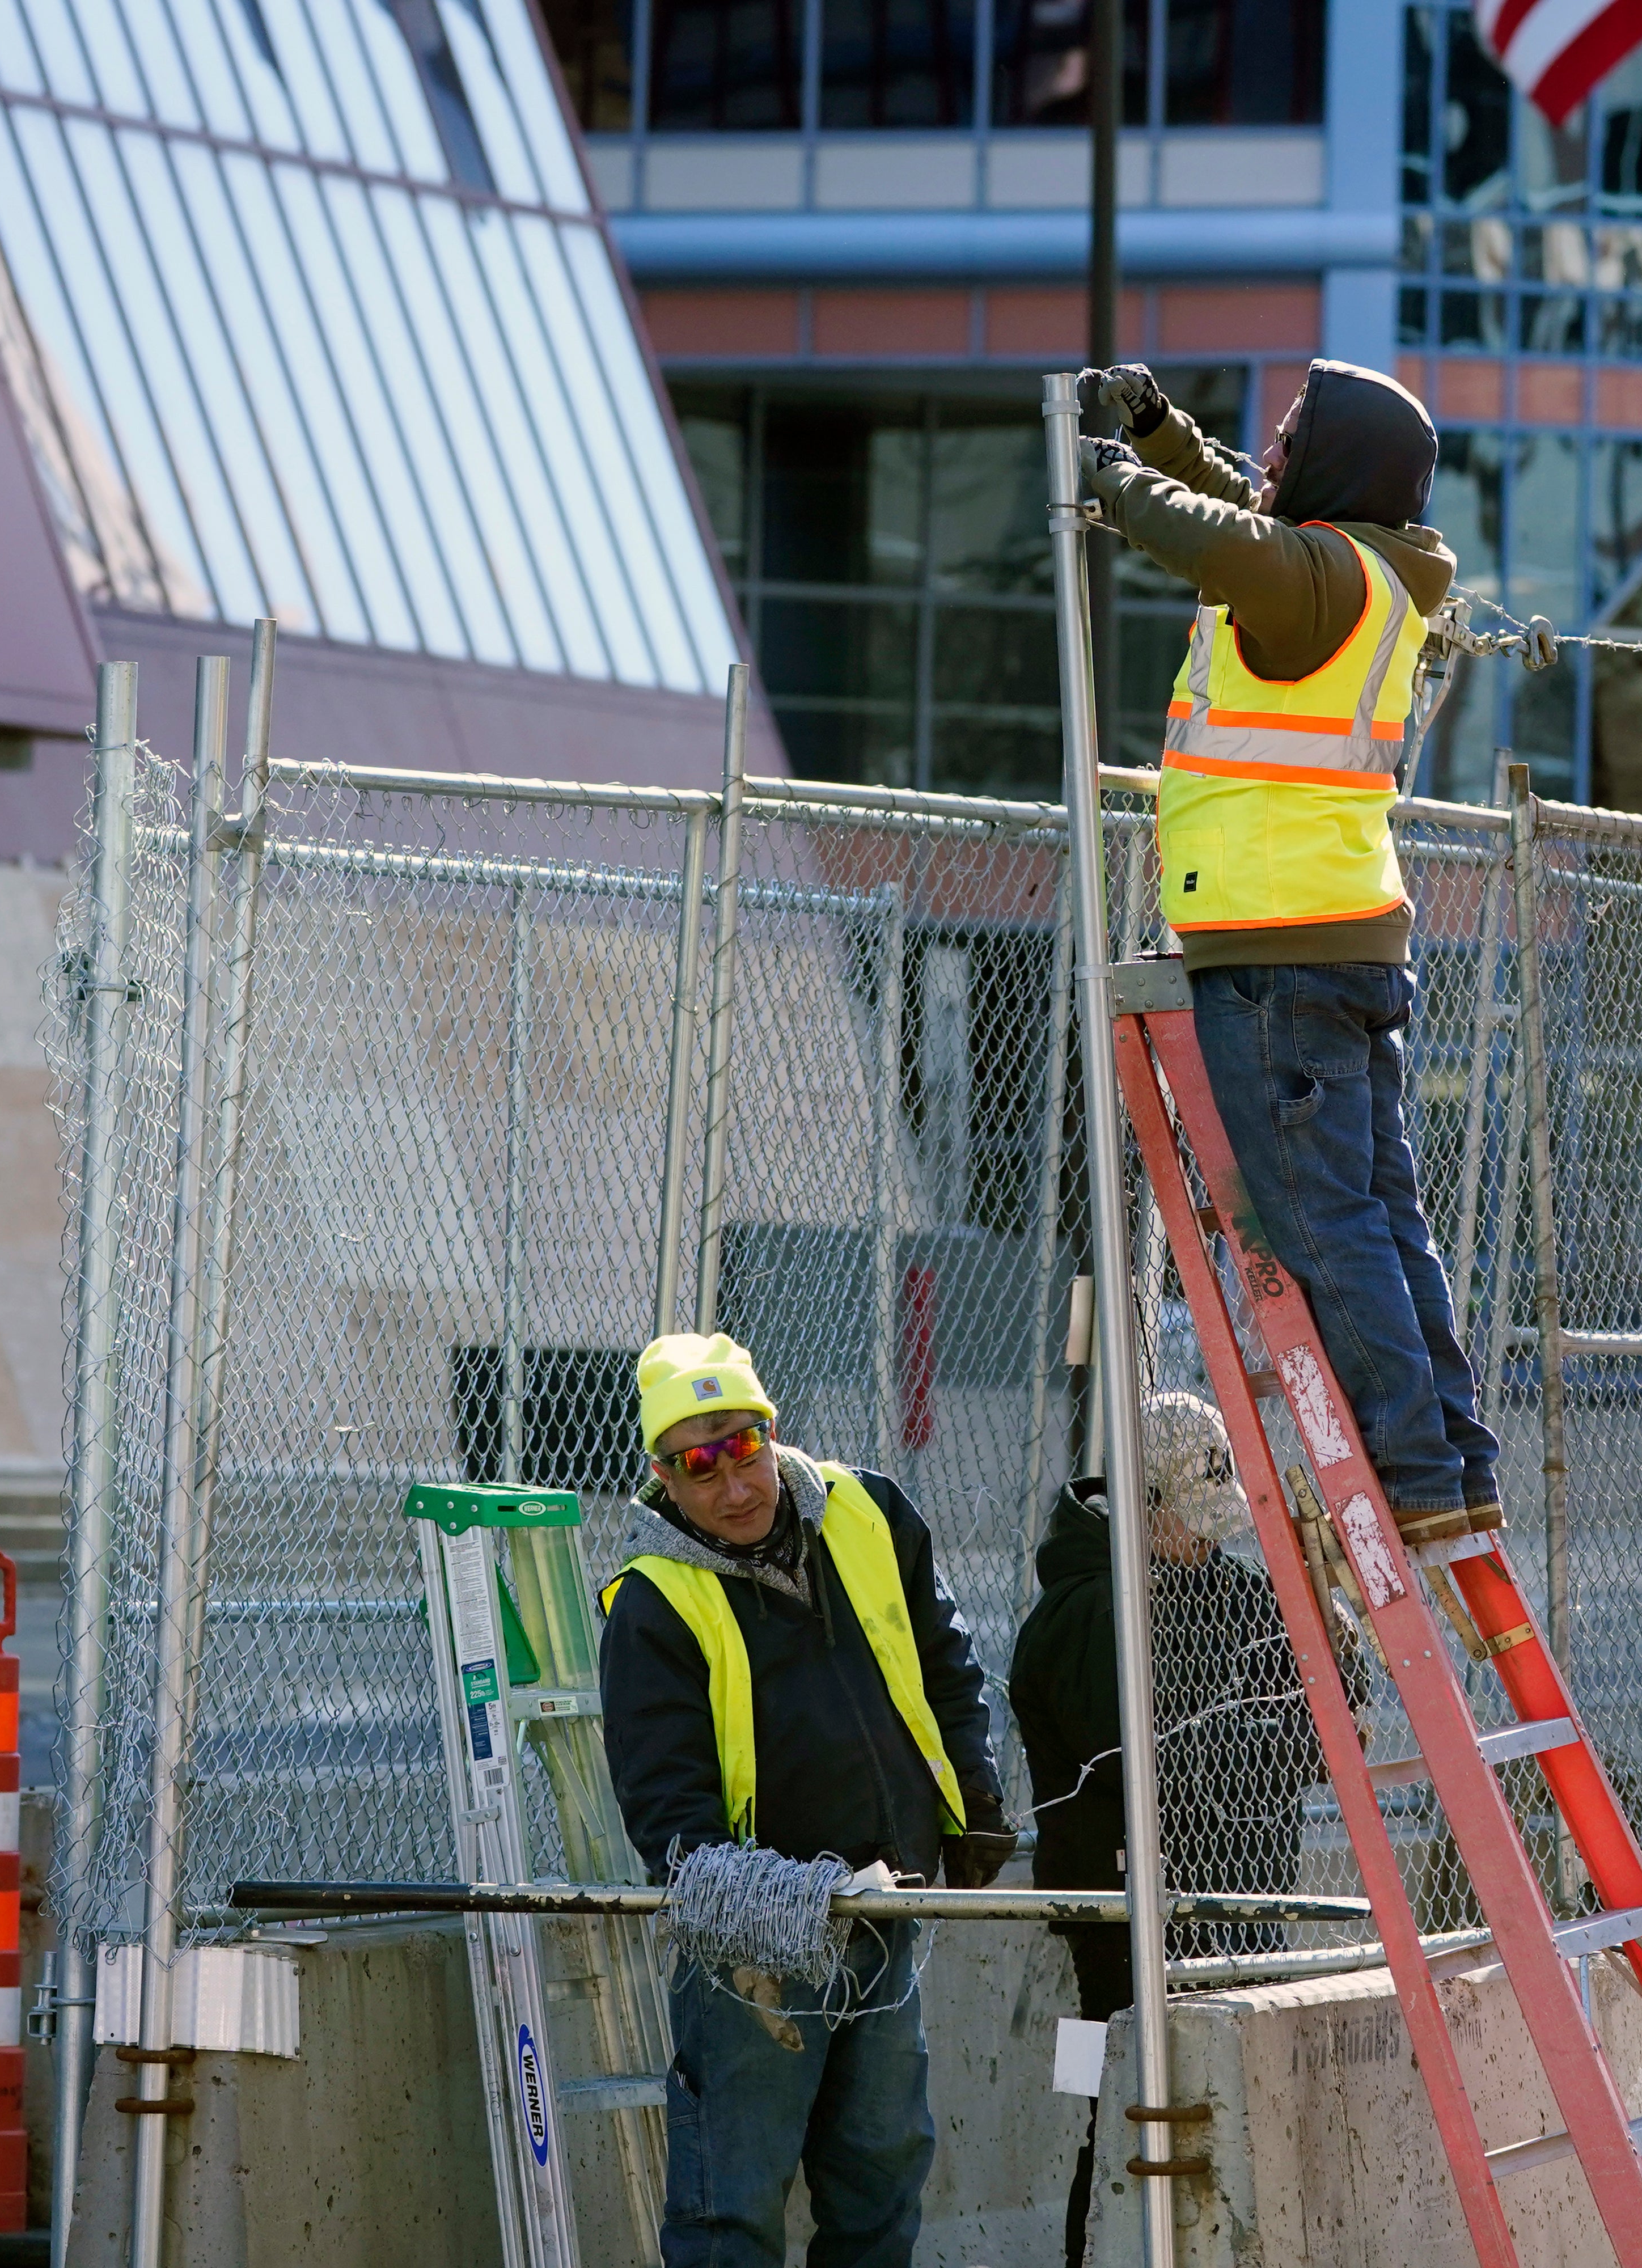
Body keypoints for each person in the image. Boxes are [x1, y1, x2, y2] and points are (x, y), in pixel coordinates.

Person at [1080, 358, 1501, 1551]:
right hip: (1345, 933)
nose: (1272, 447)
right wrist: (1161, 437)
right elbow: (1239, 504)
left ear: (1338, 461)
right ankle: (1454, 1457)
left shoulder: (1309, 578)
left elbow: (1224, 539)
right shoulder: (1367, 571)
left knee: (1324, 1224)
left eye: (1295, 431)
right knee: (1382, 1215)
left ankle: (1411, 1470)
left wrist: (1109, 482)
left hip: (1273, 947)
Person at [598, 1331, 1015, 2268]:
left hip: (886, 1906)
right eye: (698, 1466)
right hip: (754, 1943)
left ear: (772, 1431)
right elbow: (666, 1814)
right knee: (732, 2207)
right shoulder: (653, 1604)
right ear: (662, 1477)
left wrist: (972, 1790)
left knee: (882, 2178)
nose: (732, 1486)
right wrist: (768, 1909)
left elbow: (946, 1662)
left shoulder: (870, 1513)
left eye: (743, 1447)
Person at [1010, 1390, 1359, 2267]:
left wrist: (1322, 1661)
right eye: (1190, 1520)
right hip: (1113, 1926)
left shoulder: (1231, 1590)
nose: (1210, 1542)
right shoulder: (1084, 1613)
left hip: (1241, 1897)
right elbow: (1149, 1766)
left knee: (1234, 2104)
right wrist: (1261, 1747)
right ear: (1139, 1506)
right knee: (1107, 2100)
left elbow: (1333, 1727)